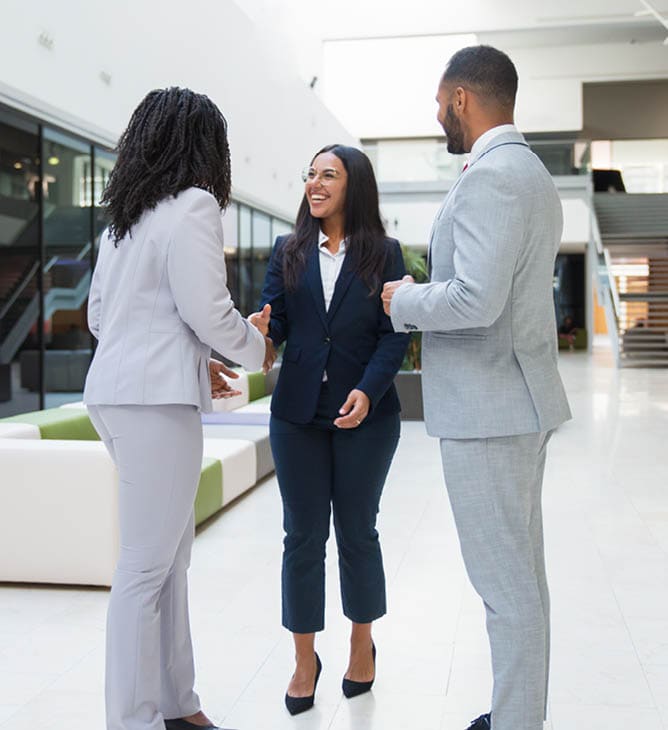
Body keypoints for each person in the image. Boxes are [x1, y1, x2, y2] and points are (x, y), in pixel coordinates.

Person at [382, 46, 571, 730]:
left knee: (505, 588)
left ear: (462, 97)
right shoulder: (528, 172)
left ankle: (517, 722)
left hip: (490, 409)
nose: (439, 117)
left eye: (440, 104)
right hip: (515, 399)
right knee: (522, 579)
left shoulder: (494, 177)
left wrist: (403, 299)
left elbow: (474, 300)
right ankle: (518, 713)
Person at [83, 86, 273, 730]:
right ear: (204, 146)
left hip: (116, 394)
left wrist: (195, 359)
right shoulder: (193, 207)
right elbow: (209, 311)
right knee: (144, 565)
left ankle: (177, 703)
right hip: (156, 402)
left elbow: (101, 317)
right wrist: (256, 349)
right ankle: (133, 719)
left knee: (169, 556)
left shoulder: (125, 219)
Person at [255, 144, 408, 715]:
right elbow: (277, 327)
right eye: (310, 175)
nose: (315, 184)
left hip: (366, 414)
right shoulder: (287, 251)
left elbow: (396, 333)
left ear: (354, 185)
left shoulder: (386, 254)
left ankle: (362, 645)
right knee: (301, 536)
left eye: (328, 175)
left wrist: (368, 391)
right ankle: (303, 659)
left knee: (357, 533)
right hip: (297, 416)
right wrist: (259, 332)